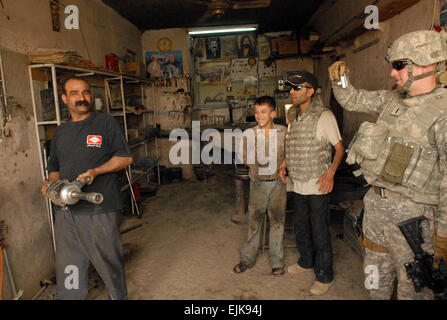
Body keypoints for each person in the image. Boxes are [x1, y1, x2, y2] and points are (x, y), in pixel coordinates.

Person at [328, 30, 447, 299]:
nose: (393, 73)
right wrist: (341, 80)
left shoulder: (442, 112)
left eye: (399, 65)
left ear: (426, 64)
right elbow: (353, 99)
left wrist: (444, 234)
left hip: (415, 222)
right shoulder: (391, 99)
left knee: (413, 289)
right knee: (374, 280)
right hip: (377, 208)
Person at [41, 77, 133, 300]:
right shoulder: (60, 133)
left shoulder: (105, 123)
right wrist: (50, 187)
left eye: (85, 93)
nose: (81, 98)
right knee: (69, 266)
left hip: (99, 210)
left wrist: (96, 172)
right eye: (74, 93)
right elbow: (54, 170)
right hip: (66, 214)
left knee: (109, 265)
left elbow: (125, 158)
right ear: (64, 98)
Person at [279, 71, 345, 295]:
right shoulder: (294, 116)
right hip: (298, 182)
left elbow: (339, 149)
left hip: (317, 184)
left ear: (310, 91)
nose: (292, 92)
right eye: (290, 87)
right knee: (300, 226)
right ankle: (306, 261)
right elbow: (293, 142)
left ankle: (324, 275)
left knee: (319, 230)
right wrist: (285, 162)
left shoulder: (324, 116)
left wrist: (331, 173)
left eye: (297, 88)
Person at [233, 96, 287, 276]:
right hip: (258, 184)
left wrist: (283, 164)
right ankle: (247, 258)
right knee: (255, 223)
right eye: (256, 112)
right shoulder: (250, 134)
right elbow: (245, 158)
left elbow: (289, 153)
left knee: (277, 222)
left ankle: (276, 261)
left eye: (263, 112)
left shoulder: (283, 132)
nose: (258, 115)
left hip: (278, 184)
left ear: (273, 113)